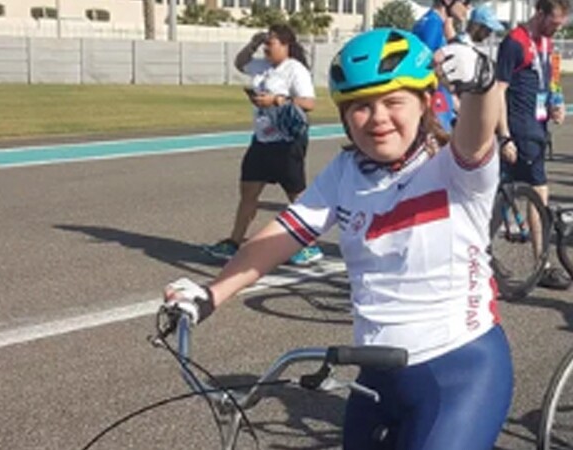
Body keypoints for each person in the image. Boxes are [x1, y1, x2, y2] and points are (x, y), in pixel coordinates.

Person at [164, 29, 512, 450]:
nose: (378, 117)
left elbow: (477, 136)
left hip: (460, 369)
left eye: (393, 101)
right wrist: (209, 295)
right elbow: (283, 234)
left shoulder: (455, 172)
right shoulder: (347, 171)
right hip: (375, 374)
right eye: (361, 106)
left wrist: (481, 84)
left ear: (424, 102)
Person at [204, 24, 323, 266]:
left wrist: (277, 100)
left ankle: (310, 245)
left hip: (287, 142)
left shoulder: (295, 70)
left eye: (271, 43)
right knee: (248, 192)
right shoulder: (264, 67)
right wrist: (253, 43)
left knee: (296, 195)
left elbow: (309, 103)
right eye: (266, 43)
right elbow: (240, 63)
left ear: (286, 45)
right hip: (262, 140)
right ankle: (234, 242)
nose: (267, 48)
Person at [496, 0, 571, 290]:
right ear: (539, 14)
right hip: (520, 128)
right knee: (538, 193)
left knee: (504, 194)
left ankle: (485, 257)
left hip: (538, 126)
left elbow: (549, 79)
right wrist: (505, 135)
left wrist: (557, 103)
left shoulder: (544, 43)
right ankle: (543, 263)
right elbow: (498, 91)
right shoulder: (514, 42)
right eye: (554, 23)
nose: (556, 29)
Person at [412, 0, 471, 134]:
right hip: (435, 106)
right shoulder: (433, 25)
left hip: (441, 101)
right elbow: (426, 68)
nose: (468, 7)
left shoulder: (433, 22)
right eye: (466, 2)